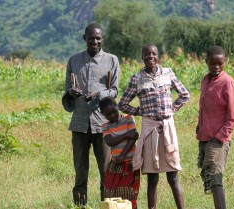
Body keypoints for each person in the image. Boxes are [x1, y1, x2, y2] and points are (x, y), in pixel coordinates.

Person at [118, 44, 189, 209]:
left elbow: (184, 94)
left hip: (167, 127)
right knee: (152, 177)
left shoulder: (168, 73)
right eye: (147, 54)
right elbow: (122, 104)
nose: (151, 56)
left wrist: (173, 108)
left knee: (173, 175)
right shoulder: (137, 79)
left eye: (154, 54)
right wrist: (139, 111)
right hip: (149, 130)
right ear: (142, 57)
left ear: (159, 56)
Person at [62, 23, 119, 205]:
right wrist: (71, 92)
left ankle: (107, 206)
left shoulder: (112, 60)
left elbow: (115, 90)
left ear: (102, 39)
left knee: (106, 170)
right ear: (84, 38)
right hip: (79, 123)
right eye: (91, 37)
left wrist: (99, 94)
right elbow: (67, 89)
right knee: (80, 170)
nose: (95, 41)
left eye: (98, 38)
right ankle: (80, 205)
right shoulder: (74, 60)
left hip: (103, 123)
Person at [196, 46, 234, 209]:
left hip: (218, 139)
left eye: (220, 63)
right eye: (212, 63)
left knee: (216, 179)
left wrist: (219, 137)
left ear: (225, 62)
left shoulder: (228, 83)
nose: (216, 67)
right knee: (209, 178)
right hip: (205, 138)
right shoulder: (205, 80)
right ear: (206, 61)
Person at [99, 97, 140, 209]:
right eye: (108, 114)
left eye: (114, 112)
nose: (112, 116)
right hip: (115, 165)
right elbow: (110, 142)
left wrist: (122, 156)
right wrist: (126, 135)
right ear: (103, 115)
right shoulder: (105, 126)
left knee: (129, 194)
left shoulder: (128, 119)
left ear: (117, 107)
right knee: (112, 193)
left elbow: (133, 139)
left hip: (129, 164)